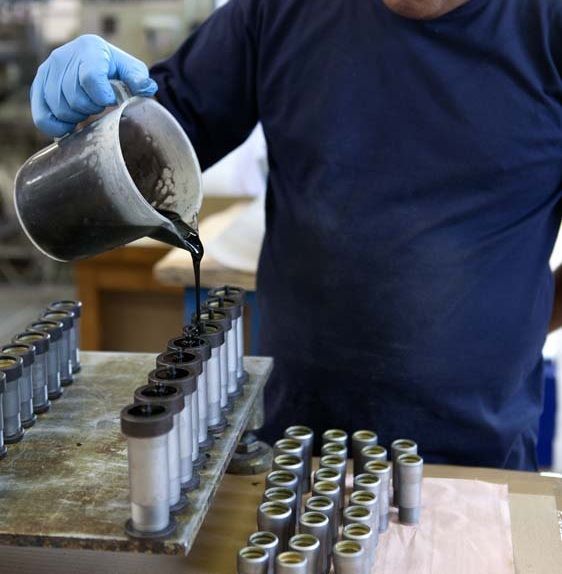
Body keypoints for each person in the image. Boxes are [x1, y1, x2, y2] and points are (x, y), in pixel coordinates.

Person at [30, 0, 562, 469]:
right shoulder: (280, 11)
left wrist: (513, 324)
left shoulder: (549, 25)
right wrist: (99, 106)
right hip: (291, 444)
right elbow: (156, 138)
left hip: (479, 457)